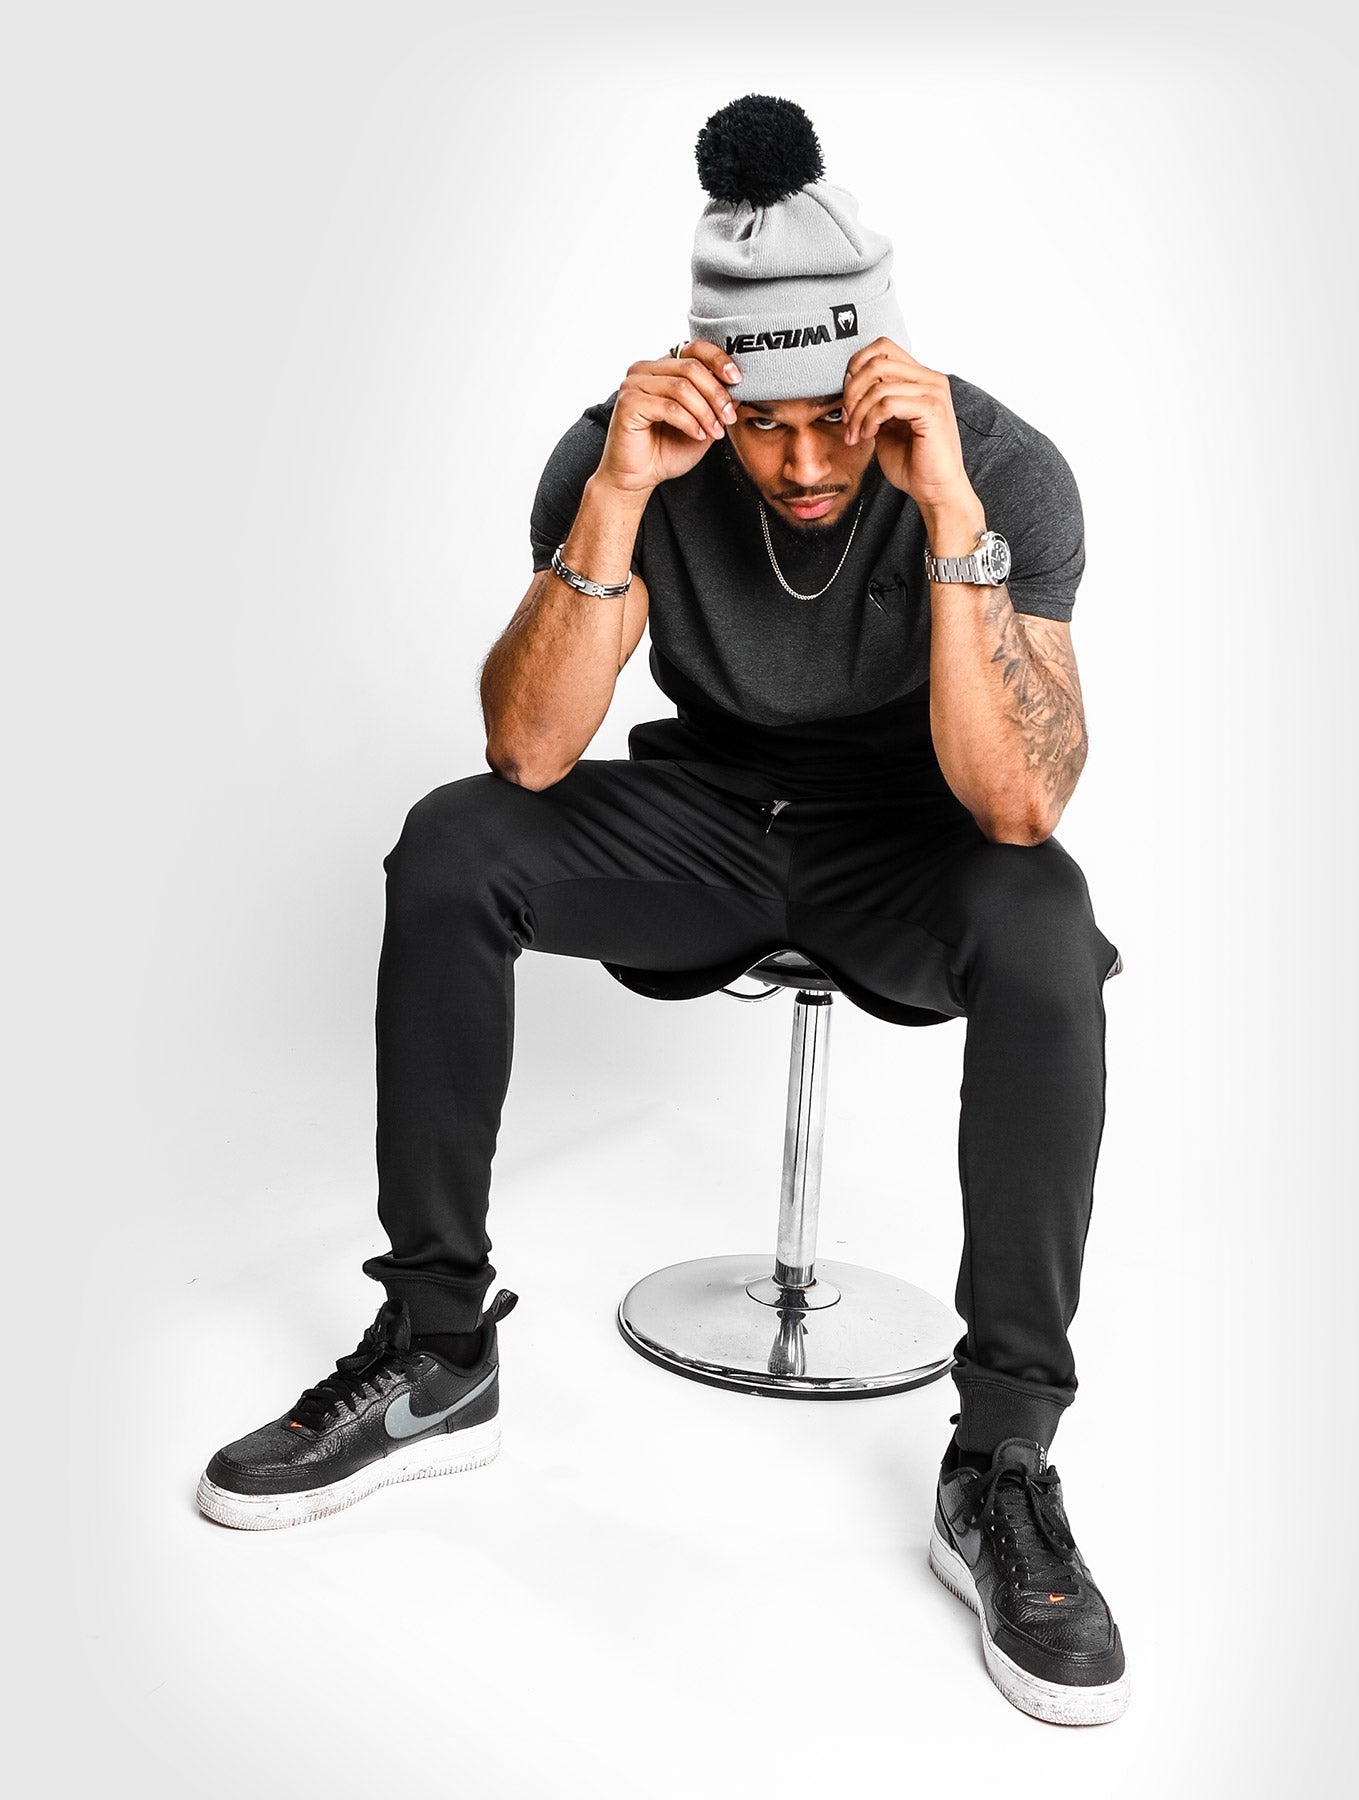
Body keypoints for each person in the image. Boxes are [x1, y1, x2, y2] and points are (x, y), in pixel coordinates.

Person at [197, 95, 1129, 1727]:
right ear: (712, 387)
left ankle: (1003, 1461)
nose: (807, 464)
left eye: (838, 423)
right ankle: (434, 1351)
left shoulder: (1002, 470)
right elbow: (529, 750)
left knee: (1047, 916)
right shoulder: (621, 453)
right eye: (768, 428)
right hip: (708, 813)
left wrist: (954, 520)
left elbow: (1015, 804)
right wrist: (619, 496)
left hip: (913, 835)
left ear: (889, 372)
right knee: (453, 843)